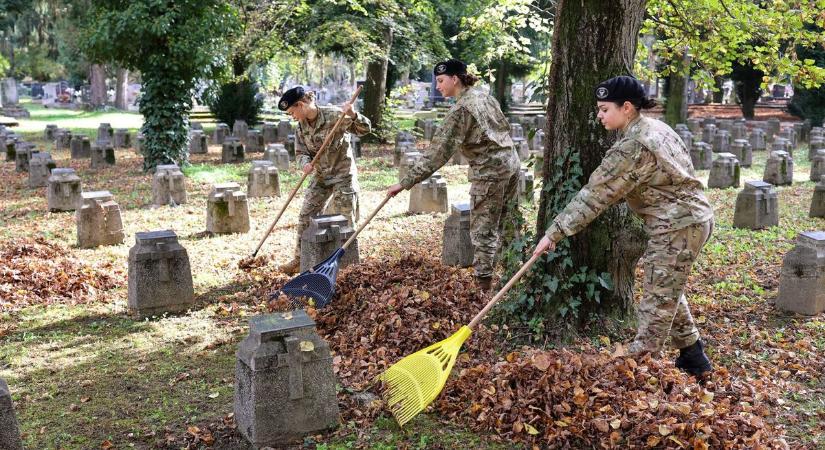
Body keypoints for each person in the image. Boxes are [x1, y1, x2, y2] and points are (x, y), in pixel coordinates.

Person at [532, 75, 714, 377]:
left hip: (678, 226)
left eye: (604, 109)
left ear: (626, 107)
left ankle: (639, 374)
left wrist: (554, 233)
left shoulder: (634, 145)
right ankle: (693, 356)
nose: (599, 115)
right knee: (665, 286)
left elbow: (595, 195)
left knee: (656, 304)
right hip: (690, 220)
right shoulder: (656, 128)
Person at [387, 59, 520, 291]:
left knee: (483, 231)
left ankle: (484, 288)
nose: (438, 86)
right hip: (511, 165)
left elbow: (437, 154)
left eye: (440, 80)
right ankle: (515, 279)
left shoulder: (461, 110)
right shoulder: (483, 96)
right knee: (509, 222)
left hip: (489, 173)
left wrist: (405, 183)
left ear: (455, 79)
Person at [278, 86, 371, 274]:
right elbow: (301, 152)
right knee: (306, 215)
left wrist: (353, 115)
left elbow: (365, 129)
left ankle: (348, 266)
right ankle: (300, 258)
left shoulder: (334, 115)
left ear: (301, 105)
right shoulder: (301, 127)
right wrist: (305, 163)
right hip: (321, 176)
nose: (292, 116)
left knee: (345, 221)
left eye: (292, 112)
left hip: (343, 176)